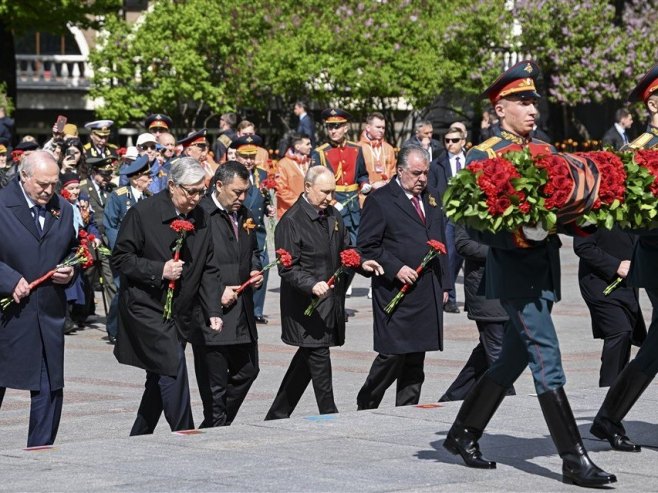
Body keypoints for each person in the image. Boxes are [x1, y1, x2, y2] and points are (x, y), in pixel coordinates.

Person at [441, 60, 616, 487]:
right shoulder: (484, 156)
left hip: (544, 270)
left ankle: (463, 433)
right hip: (514, 272)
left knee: (513, 359)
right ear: (500, 109)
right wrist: (523, 229)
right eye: (521, 101)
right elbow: (472, 221)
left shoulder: (545, 150)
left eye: (534, 101)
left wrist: (591, 211)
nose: (532, 109)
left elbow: (568, 207)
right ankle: (573, 459)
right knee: (546, 358)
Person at [112, 157, 222, 436]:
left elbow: (208, 266)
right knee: (172, 366)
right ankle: (186, 432)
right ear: (172, 186)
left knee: (159, 375)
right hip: (146, 307)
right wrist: (159, 269)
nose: (197, 198)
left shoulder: (202, 216)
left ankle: (138, 436)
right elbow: (122, 259)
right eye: (191, 191)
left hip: (179, 311)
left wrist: (213, 309)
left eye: (202, 191)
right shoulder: (143, 213)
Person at [265, 166, 382, 420]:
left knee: (306, 361)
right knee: (318, 355)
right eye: (325, 192)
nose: (331, 198)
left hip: (330, 302)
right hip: (306, 305)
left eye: (333, 191)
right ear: (307, 188)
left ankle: (277, 414)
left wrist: (362, 263)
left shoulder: (333, 215)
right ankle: (330, 414)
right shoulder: (291, 221)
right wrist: (310, 284)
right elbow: (288, 268)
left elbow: (346, 249)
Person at [590, 63, 658, 454]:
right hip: (656, 254)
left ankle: (608, 417)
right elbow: (627, 214)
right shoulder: (638, 151)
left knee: (654, 347)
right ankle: (608, 417)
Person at [356, 145, 449, 410]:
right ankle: (368, 400)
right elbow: (367, 246)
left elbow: (440, 241)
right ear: (400, 171)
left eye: (425, 173)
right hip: (396, 290)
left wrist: (445, 283)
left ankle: (408, 407)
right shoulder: (381, 200)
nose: (422, 179)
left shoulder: (432, 198)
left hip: (426, 289)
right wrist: (395, 267)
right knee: (393, 353)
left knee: (416, 354)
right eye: (416, 173)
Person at [0, 151, 76, 447]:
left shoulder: (64, 209)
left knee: (50, 387)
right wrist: (9, 280)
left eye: (54, 184)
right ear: (24, 177)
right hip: (8, 316)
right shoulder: (3, 204)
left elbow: (72, 250)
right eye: (43, 184)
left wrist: (70, 270)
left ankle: (41, 448)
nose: (49, 191)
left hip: (47, 314)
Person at [189, 162, 262, 427]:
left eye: (245, 192)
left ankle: (214, 425)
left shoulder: (244, 214)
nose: (242, 198)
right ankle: (216, 426)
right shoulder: (200, 215)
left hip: (242, 310)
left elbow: (254, 250)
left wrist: (255, 270)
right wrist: (215, 293)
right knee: (215, 386)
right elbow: (191, 265)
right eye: (237, 192)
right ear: (218, 186)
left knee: (248, 370)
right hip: (213, 313)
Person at [439, 224, 515, 402]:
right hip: (485, 290)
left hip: (511, 289)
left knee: (486, 351)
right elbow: (464, 244)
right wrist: (504, 250)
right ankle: (509, 396)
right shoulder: (470, 203)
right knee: (496, 347)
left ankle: (451, 398)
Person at [573, 227, 646, 387]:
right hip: (598, 282)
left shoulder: (636, 206)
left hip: (627, 284)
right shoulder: (594, 206)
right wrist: (615, 265)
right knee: (619, 330)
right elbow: (582, 246)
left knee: (626, 335)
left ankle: (617, 388)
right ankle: (607, 388)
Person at [104, 155, 153, 344]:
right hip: (123, 253)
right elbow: (110, 225)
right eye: (146, 176)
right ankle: (114, 328)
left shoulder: (149, 197)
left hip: (142, 254)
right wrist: (122, 249)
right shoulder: (119, 195)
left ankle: (134, 329)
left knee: (139, 292)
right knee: (121, 290)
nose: (150, 180)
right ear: (136, 177)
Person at [231, 135, 274, 324]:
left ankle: (257, 310)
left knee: (263, 268)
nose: (249, 161)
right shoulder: (232, 174)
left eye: (252, 156)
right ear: (237, 156)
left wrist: (268, 207)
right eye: (245, 156)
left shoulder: (262, 175)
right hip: (240, 227)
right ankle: (243, 307)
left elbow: (263, 199)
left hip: (259, 230)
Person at [437, 126, 467, 314]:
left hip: (469, 216)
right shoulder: (438, 164)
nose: (450, 144)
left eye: (454, 140)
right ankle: (450, 298)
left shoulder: (472, 160)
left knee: (469, 255)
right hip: (448, 215)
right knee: (450, 256)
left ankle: (471, 299)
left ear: (463, 141)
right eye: (447, 140)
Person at [357, 112, 396, 204]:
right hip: (365, 199)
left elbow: (394, 172)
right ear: (368, 127)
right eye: (378, 127)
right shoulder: (358, 148)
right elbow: (355, 177)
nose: (381, 130)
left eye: (383, 128)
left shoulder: (389, 148)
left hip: (386, 198)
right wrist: (372, 185)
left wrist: (388, 182)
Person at [275, 132, 312, 219]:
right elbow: (281, 190)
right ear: (297, 147)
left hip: (310, 212)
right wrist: (302, 203)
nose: (310, 146)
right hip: (289, 213)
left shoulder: (311, 162)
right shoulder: (283, 164)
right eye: (307, 144)